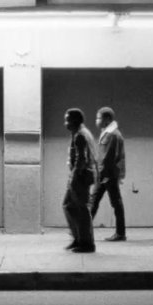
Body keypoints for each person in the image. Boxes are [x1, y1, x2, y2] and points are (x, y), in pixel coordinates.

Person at [61, 108, 96, 253]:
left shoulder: (80, 135)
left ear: (74, 120)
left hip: (80, 176)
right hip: (81, 175)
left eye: (67, 119)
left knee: (81, 209)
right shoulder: (80, 133)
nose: (65, 123)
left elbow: (82, 159)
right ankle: (78, 238)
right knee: (68, 205)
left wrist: (73, 178)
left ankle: (87, 243)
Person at [89, 106, 126, 242]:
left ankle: (84, 232)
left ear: (107, 119)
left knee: (96, 202)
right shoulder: (108, 132)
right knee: (112, 203)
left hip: (107, 175)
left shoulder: (112, 135)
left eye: (99, 118)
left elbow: (108, 157)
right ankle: (120, 233)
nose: (97, 120)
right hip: (107, 174)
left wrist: (101, 175)